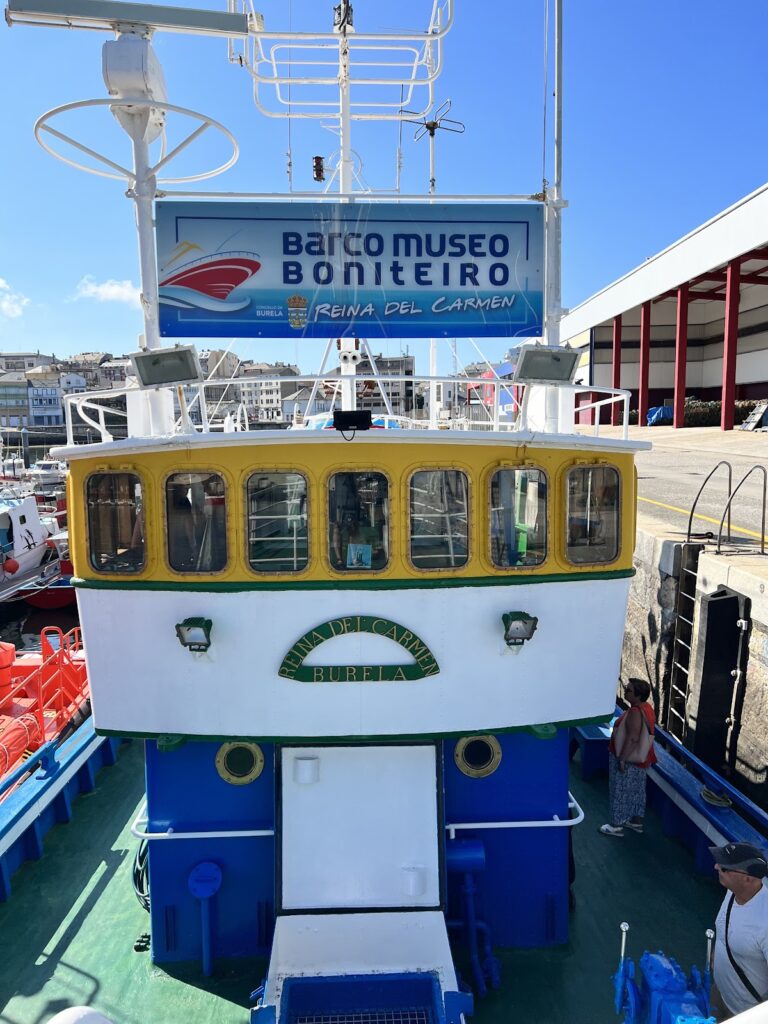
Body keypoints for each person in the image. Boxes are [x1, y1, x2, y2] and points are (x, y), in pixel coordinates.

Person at [709, 841, 768, 1018]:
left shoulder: (764, 922)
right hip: (720, 993)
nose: (716, 866)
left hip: (743, 1014)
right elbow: (724, 928)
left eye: (725, 868)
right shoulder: (733, 891)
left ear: (747, 878)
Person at [600, 677, 657, 837]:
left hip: (629, 759)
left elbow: (632, 737)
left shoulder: (634, 712)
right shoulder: (647, 708)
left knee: (619, 790)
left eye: (629, 690)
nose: (625, 691)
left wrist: (622, 759)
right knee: (637, 791)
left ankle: (615, 825)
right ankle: (636, 821)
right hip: (642, 759)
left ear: (638, 696)